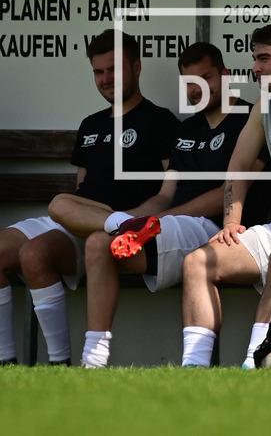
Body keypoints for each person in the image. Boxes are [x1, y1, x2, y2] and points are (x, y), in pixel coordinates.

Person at [48, 42, 271, 367]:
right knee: (96, 239)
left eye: (206, 78)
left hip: (213, 229)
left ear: (225, 75)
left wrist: (163, 218)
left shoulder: (249, 119)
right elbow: (165, 194)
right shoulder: (186, 129)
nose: (197, 89)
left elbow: (230, 190)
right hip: (170, 226)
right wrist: (137, 219)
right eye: (189, 83)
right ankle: (93, 361)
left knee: (109, 241)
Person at [0, 29, 177, 365]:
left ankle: (59, 363)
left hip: (113, 232)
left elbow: (168, 194)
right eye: (99, 71)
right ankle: (5, 363)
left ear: (136, 67)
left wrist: (135, 222)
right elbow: (81, 187)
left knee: (36, 252)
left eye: (114, 69)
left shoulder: (160, 121)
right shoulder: (90, 124)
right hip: (79, 218)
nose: (106, 79)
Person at [180, 22, 271, 368]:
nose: (255, 68)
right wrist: (231, 221)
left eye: (264, 58)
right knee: (197, 263)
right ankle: (191, 370)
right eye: (255, 59)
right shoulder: (263, 106)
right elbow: (237, 168)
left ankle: (252, 366)